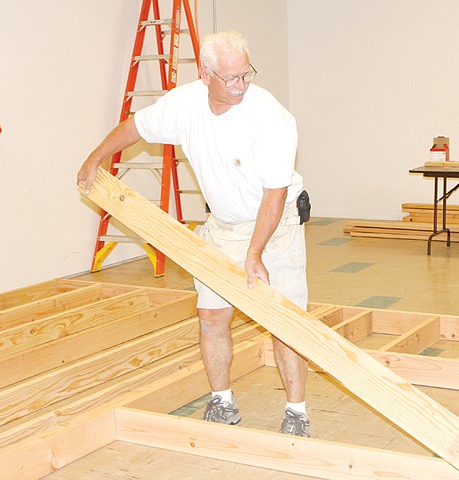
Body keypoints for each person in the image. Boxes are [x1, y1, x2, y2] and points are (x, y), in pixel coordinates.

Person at [77, 31, 311, 437]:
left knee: (284, 322)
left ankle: (296, 411)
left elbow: (275, 194)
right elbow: (135, 127)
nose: (242, 85)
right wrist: (94, 159)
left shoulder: (270, 117)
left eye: (246, 75)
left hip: (276, 227)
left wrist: (254, 254)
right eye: (231, 78)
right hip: (222, 227)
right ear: (206, 75)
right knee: (211, 316)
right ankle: (222, 402)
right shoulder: (184, 105)